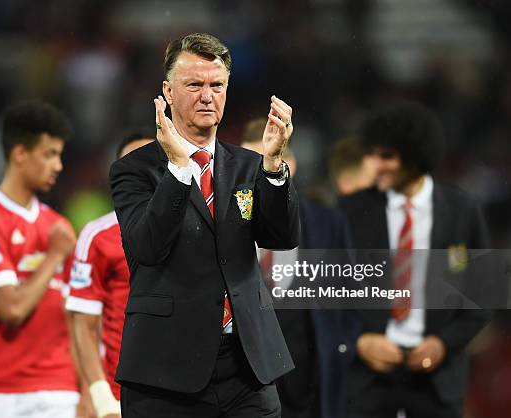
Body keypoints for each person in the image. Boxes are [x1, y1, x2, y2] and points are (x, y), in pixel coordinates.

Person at [109, 33, 300, 417]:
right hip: (166, 372)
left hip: (247, 368)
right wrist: (179, 170)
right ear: (168, 91)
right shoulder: (134, 169)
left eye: (217, 85)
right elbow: (147, 246)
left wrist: (275, 169)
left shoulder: (250, 165)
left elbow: (281, 237)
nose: (207, 95)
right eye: (194, 85)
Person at [338, 102, 491, 418]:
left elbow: (484, 294)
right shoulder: (351, 211)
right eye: (374, 154)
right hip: (367, 380)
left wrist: (444, 344)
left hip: (438, 381)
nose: (376, 165)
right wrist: (359, 342)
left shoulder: (463, 210)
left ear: (416, 156)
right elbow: (325, 290)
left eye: (387, 157)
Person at [0, 101, 82, 418]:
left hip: (58, 389)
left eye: (60, 155)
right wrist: (54, 255)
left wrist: (87, 387)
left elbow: (76, 314)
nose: (58, 166)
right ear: (19, 155)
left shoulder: (59, 226)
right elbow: (11, 309)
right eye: (49, 154)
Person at [242, 118, 357, 418]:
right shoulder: (224, 221)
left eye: (269, 157)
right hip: (243, 381)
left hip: (309, 381)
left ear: (288, 161)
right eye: (250, 159)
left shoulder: (327, 223)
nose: (259, 167)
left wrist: (339, 351)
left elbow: (349, 294)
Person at [66, 132, 154, 418]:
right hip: (118, 398)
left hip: (184, 394)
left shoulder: (196, 228)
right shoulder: (97, 236)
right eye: (133, 163)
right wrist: (98, 397)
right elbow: (83, 324)